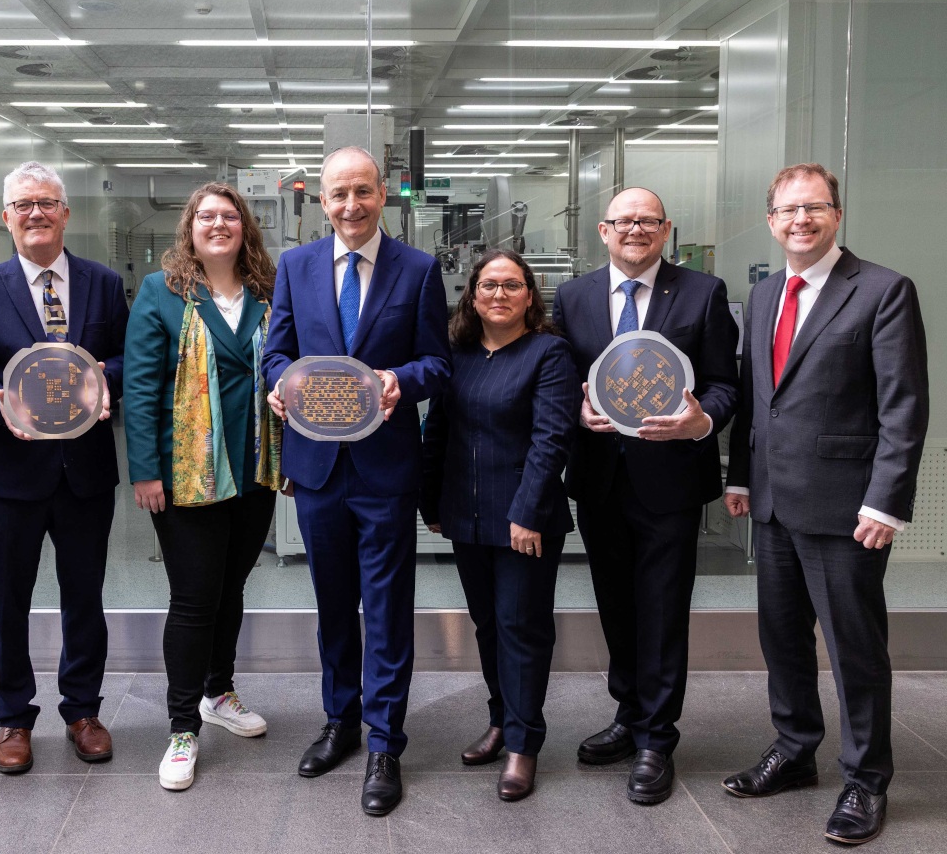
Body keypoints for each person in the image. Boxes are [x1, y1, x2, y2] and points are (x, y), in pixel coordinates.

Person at [722, 164, 929, 846]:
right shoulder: (763, 295)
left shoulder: (882, 290)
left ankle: (866, 780)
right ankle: (795, 750)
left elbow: (903, 408)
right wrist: (741, 477)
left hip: (847, 508)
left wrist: (886, 503)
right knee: (782, 640)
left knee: (853, 650)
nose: (800, 220)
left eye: (814, 207)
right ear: (771, 220)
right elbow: (758, 398)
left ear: (837, 215)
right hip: (774, 503)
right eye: (788, 210)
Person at [261, 146, 451, 816]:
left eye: (362, 192)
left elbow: (438, 363)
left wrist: (400, 379)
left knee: (388, 608)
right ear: (322, 201)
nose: (351, 205)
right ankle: (339, 720)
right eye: (338, 194)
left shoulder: (417, 269)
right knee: (333, 604)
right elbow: (277, 352)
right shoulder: (296, 266)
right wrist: (279, 384)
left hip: (384, 469)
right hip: (318, 467)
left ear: (382, 195)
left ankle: (385, 742)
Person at [552, 186, 738, 804]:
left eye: (648, 221)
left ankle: (658, 737)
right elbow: (559, 380)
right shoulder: (574, 296)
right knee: (616, 605)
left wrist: (700, 421)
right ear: (603, 231)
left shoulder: (702, 293)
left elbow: (724, 383)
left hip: (671, 480)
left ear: (665, 230)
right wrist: (576, 412)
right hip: (599, 477)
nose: (635, 229)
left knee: (662, 609)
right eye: (624, 221)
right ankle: (629, 714)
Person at [0, 161, 129, 775]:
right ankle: (13, 718)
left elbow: (125, 357)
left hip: (84, 472)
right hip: (10, 475)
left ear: (65, 213)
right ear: (7, 217)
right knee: (8, 601)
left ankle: (83, 711)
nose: (36, 213)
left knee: (85, 597)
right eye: (24, 204)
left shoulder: (103, 283)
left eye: (47, 203)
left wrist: (106, 381)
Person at [123, 183, 283, 791]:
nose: (219, 225)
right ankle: (182, 728)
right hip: (187, 473)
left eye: (229, 216)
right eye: (206, 216)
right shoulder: (162, 293)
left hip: (254, 470)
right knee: (194, 598)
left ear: (245, 228)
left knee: (231, 587)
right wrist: (145, 469)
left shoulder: (268, 292)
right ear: (189, 227)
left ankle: (219, 692)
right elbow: (141, 385)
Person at [420, 250, 580, 802]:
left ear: (530, 296)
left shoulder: (549, 353)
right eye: (488, 285)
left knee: (521, 629)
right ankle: (500, 722)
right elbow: (438, 431)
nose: (499, 295)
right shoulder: (457, 353)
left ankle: (523, 743)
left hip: (523, 521)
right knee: (488, 625)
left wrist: (527, 513)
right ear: (472, 295)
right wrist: (431, 503)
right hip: (467, 516)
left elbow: (551, 439)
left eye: (512, 285)